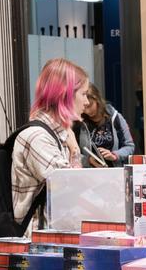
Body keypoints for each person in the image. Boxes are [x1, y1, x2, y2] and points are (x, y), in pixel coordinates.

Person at [11, 58, 89, 225]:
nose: (87, 101)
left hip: (52, 237)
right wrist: (75, 149)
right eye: (83, 94)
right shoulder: (37, 138)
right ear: (65, 95)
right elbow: (71, 189)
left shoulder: (58, 135)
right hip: (37, 243)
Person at [73, 83, 135, 167]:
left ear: (97, 99)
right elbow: (73, 153)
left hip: (114, 172)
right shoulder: (79, 121)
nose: (87, 111)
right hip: (89, 174)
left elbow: (129, 146)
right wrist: (88, 160)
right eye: (84, 107)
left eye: (90, 105)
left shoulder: (115, 117)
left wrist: (114, 155)